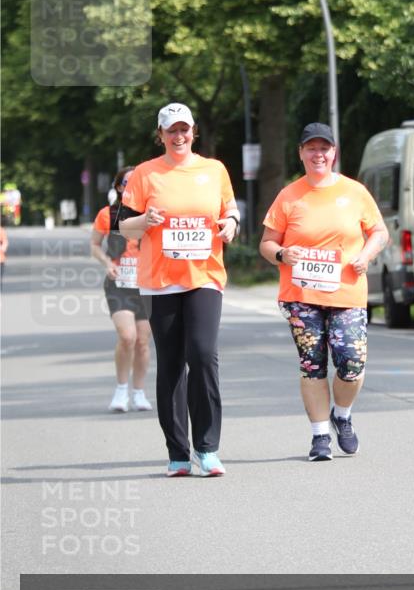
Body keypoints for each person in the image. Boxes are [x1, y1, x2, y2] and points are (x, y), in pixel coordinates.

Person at [119, 103, 239, 477]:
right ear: (161, 134)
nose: (179, 135)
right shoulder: (145, 173)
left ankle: (208, 448)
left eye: (184, 129)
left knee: (203, 355)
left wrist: (231, 224)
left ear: (193, 132)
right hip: (159, 280)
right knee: (171, 363)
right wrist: (144, 219)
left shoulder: (214, 170)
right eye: (171, 130)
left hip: (204, 275)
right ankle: (177, 452)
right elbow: (125, 227)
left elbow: (231, 210)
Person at [260, 122, 389, 461]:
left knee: (351, 363)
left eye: (324, 148)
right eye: (311, 148)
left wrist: (365, 256)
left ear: (334, 153)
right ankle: (319, 437)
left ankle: (341, 415)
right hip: (300, 296)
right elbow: (267, 243)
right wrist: (281, 254)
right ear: (301, 153)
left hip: (346, 293)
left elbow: (380, 232)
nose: (319, 154)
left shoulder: (355, 192)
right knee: (312, 365)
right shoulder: (289, 196)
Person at [91, 167, 152, 413]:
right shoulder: (109, 214)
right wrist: (106, 263)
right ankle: (121, 390)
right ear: (119, 187)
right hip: (118, 283)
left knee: (143, 342)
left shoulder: (150, 214)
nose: (131, 185)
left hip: (146, 284)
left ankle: (138, 393)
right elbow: (95, 245)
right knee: (128, 337)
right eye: (127, 182)